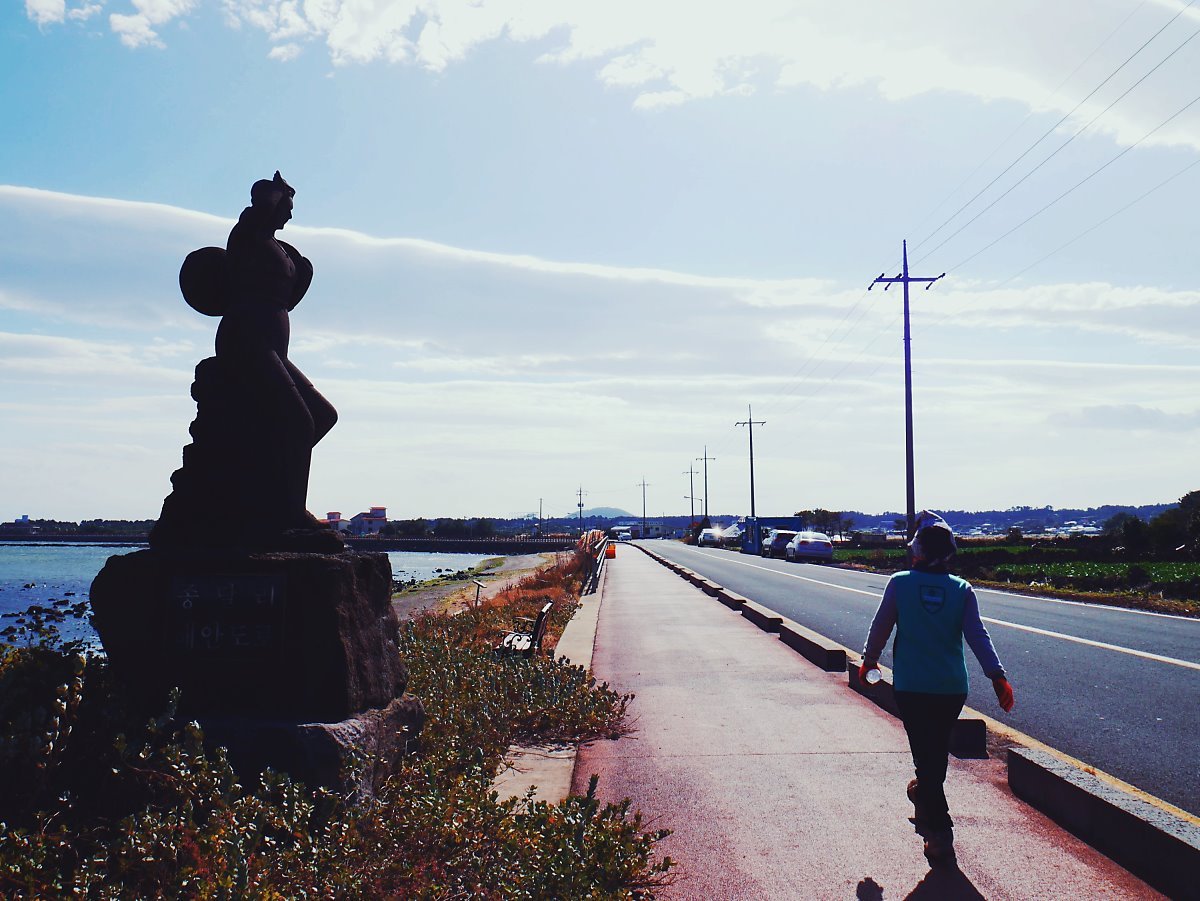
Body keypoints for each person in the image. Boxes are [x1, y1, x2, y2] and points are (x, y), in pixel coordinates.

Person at [859, 511, 1015, 867]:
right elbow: (978, 635)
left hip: (912, 686)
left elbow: (881, 626)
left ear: (916, 551)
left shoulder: (900, 583)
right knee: (934, 755)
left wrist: (869, 661)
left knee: (927, 758)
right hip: (950, 688)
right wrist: (997, 675)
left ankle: (940, 832)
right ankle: (923, 798)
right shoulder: (961, 590)